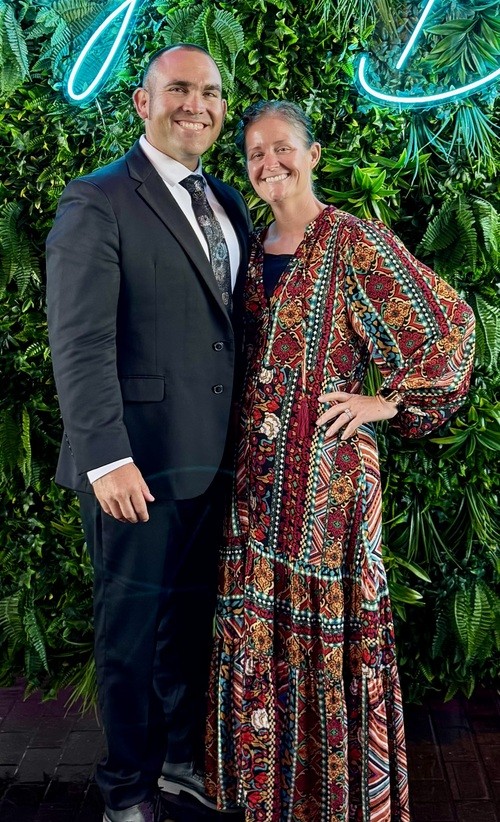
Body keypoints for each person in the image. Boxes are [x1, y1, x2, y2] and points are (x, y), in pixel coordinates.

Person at [205, 100, 475, 822]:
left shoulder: (354, 241)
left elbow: (449, 329)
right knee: (258, 628)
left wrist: (385, 403)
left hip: (330, 487)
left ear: (313, 154)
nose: (270, 164)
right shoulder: (248, 246)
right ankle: (270, 795)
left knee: (329, 635)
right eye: (256, 154)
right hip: (254, 487)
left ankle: (337, 801)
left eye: (282, 148)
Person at [46, 44, 251, 822]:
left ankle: (175, 762)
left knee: (187, 630)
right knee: (129, 639)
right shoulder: (98, 199)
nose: (196, 104)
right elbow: (79, 342)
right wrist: (106, 459)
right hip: (135, 467)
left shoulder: (227, 201)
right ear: (143, 102)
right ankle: (125, 790)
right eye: (178, 89)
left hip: (213, 464)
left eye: (211, 92)